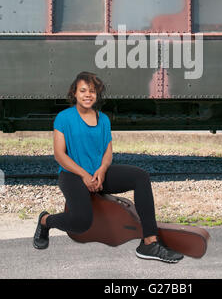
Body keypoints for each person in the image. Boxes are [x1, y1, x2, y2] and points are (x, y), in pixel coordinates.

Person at [33, 71, 183, 263]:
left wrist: (102, 170)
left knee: (141, 177)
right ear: (74, 93)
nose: (88, 95)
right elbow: (59, 155)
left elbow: (108, 152)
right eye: (83, 90)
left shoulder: (103, 119)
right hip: (73, 174)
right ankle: (46, 221)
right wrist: (85, 176)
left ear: (97, 95)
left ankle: (149, 243)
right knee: (81, 222)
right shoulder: (64, 118)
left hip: (98, 173)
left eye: (92, 91)